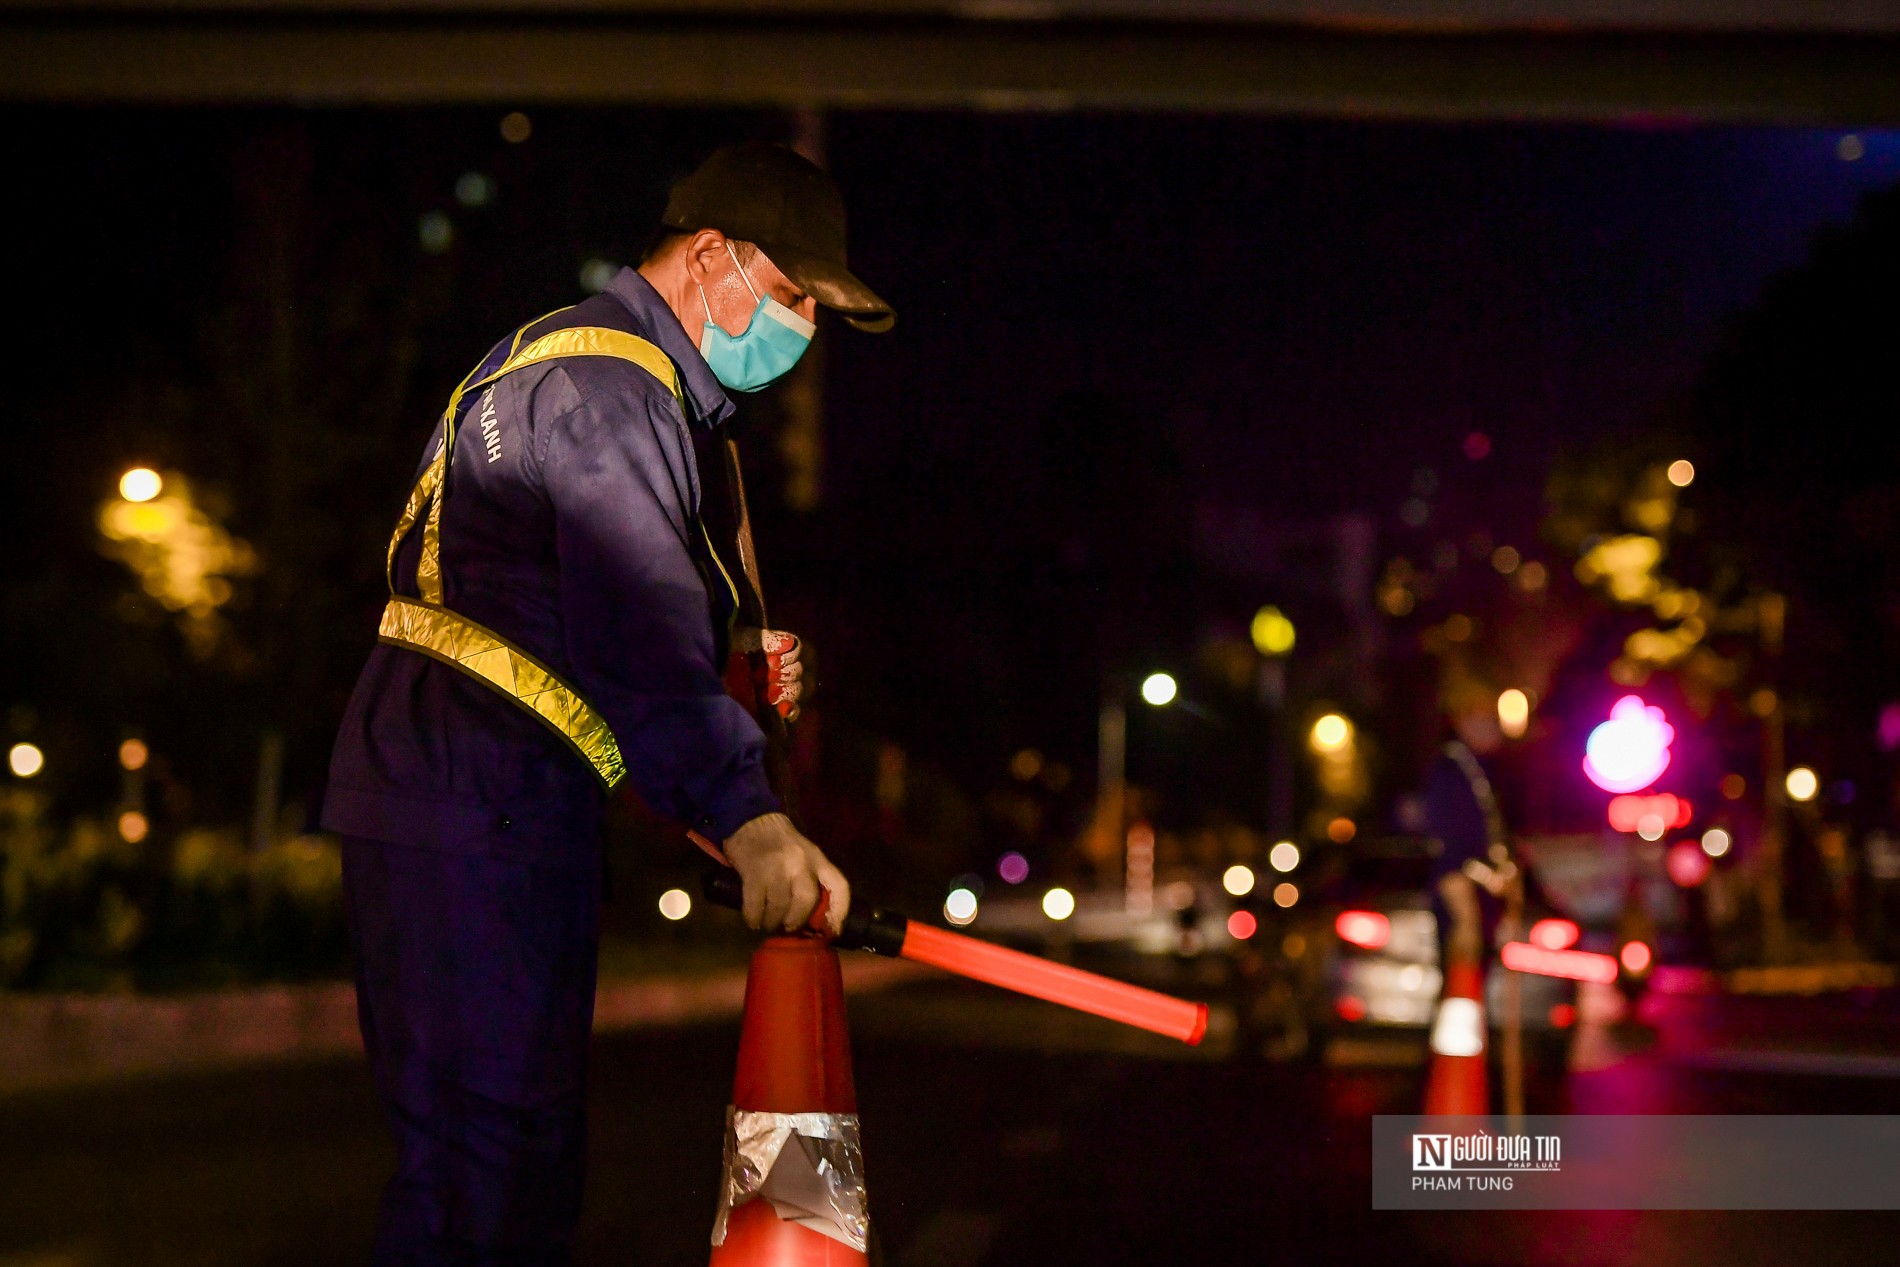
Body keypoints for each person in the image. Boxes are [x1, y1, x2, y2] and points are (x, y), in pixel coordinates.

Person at [320, 143, 894, 1265]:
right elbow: (633, 629)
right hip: (474, 789)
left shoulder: (598, 370)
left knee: (495, 1168)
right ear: (711, 256)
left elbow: (573, 611)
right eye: (791, 298)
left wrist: (727, 672)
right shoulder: (610, 391)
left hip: (472, 786)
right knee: (485, 1184)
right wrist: (749, 813)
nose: (804, 331)